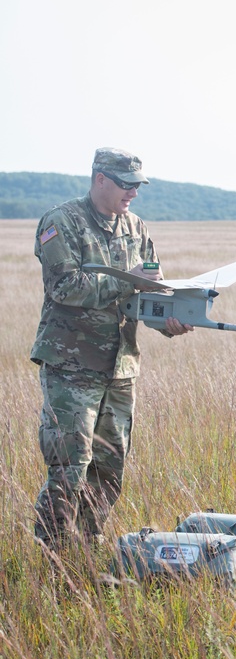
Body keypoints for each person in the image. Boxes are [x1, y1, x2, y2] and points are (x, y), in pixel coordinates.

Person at [31, 147, 194, 553]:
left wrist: (170, 322)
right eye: (126, 184)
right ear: (99, 179)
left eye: (138, 186)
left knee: (108, 468)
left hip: (121, 369)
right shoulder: (61, 221)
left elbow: (148, 291)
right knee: (70, 467)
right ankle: (54, 558)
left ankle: (88, 549)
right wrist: (128, 281)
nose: (133, 194)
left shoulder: (136, 228)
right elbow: (64, 287)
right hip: (71, 367)